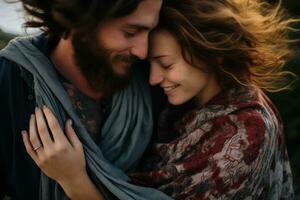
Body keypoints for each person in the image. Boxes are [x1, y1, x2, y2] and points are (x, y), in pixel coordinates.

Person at [0, 0, 173, 199]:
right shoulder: (8, 84)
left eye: (150, 31)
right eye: (131, 32)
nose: (142, 52)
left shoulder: (157, 83)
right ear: (81, 18)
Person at [128, 0, 297, 199]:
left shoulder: (248, 130)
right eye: (150, 65)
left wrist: (82, 185)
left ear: (211, 55)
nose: (153, 78)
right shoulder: (176, 106)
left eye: (165, 64)